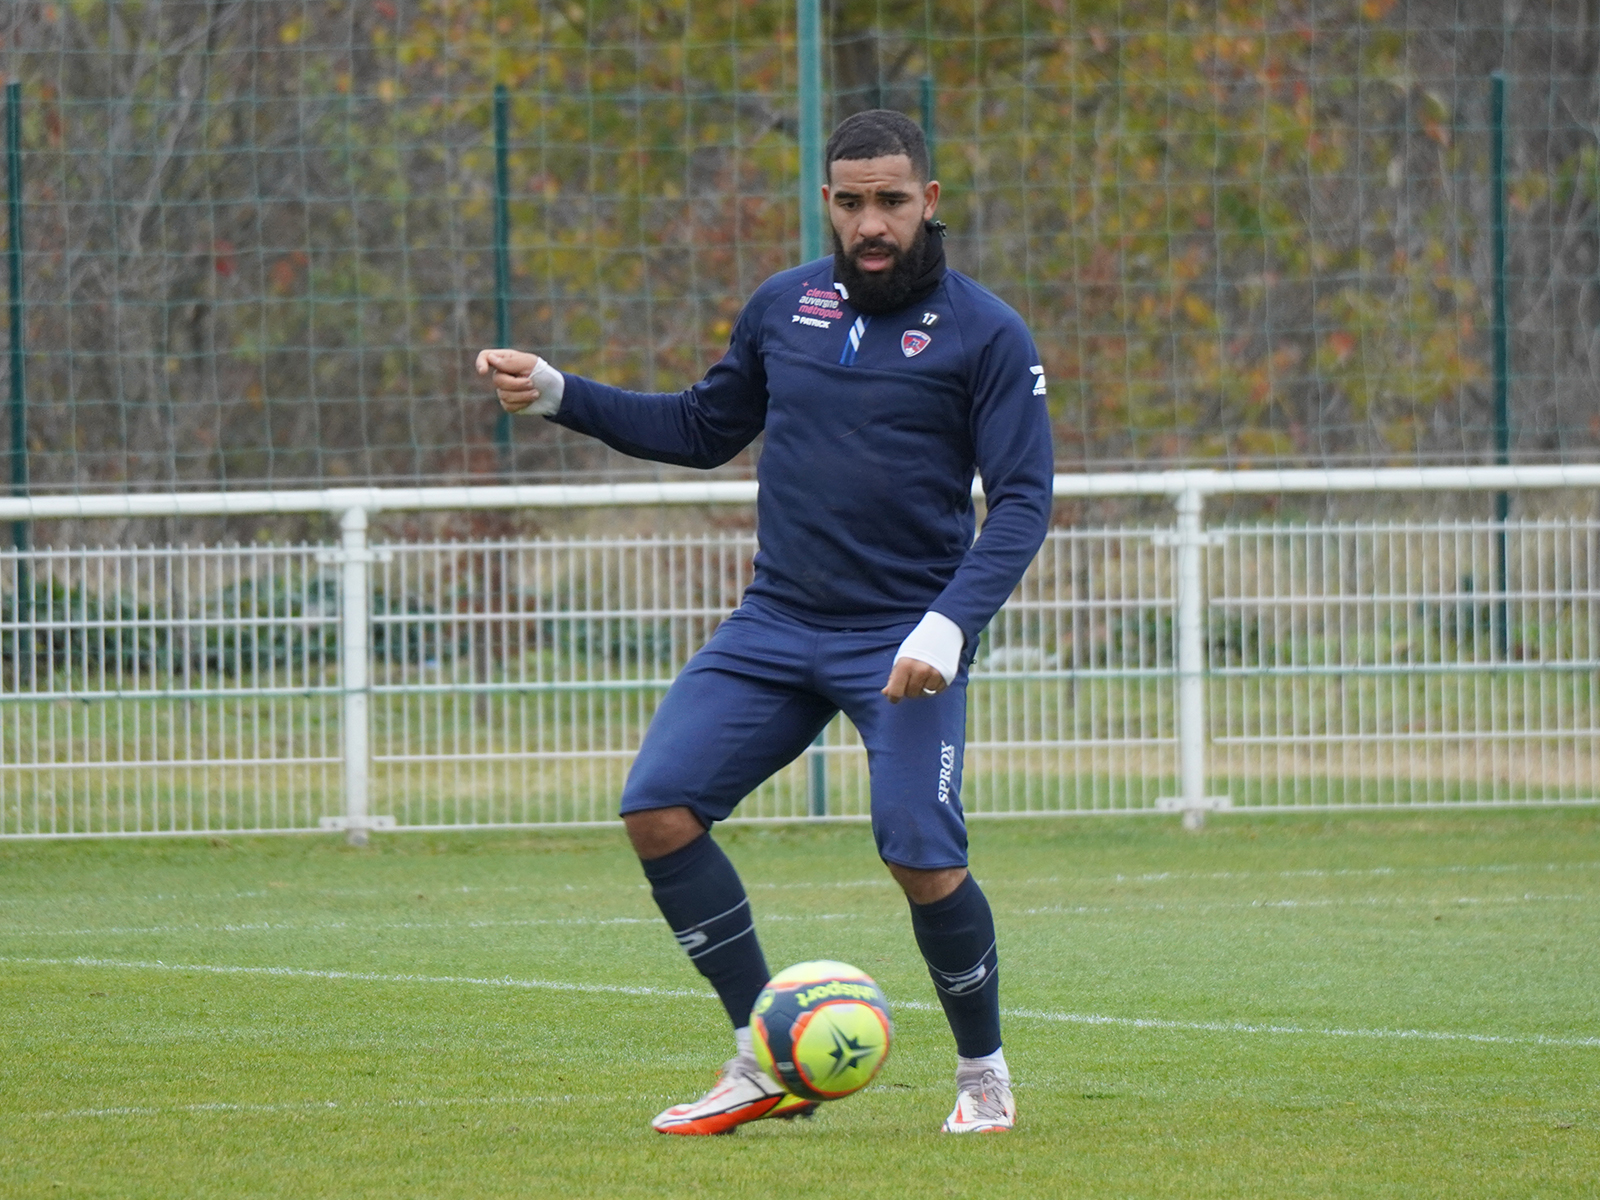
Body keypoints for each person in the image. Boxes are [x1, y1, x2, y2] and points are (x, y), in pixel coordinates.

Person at [477, 109, 1053, 1135]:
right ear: (827, 202)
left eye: (891, 201)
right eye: (851, 202)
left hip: (903, 637)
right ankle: (765, 1060)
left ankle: (983, 1075)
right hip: (777, 622)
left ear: (929, 201)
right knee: (658, 807)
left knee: (920, 855)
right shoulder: (784, 306)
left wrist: (948, 626)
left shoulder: (987, 332)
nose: (870, 223)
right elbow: (703, 427)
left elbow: (1020, 501)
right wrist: (561, 394)